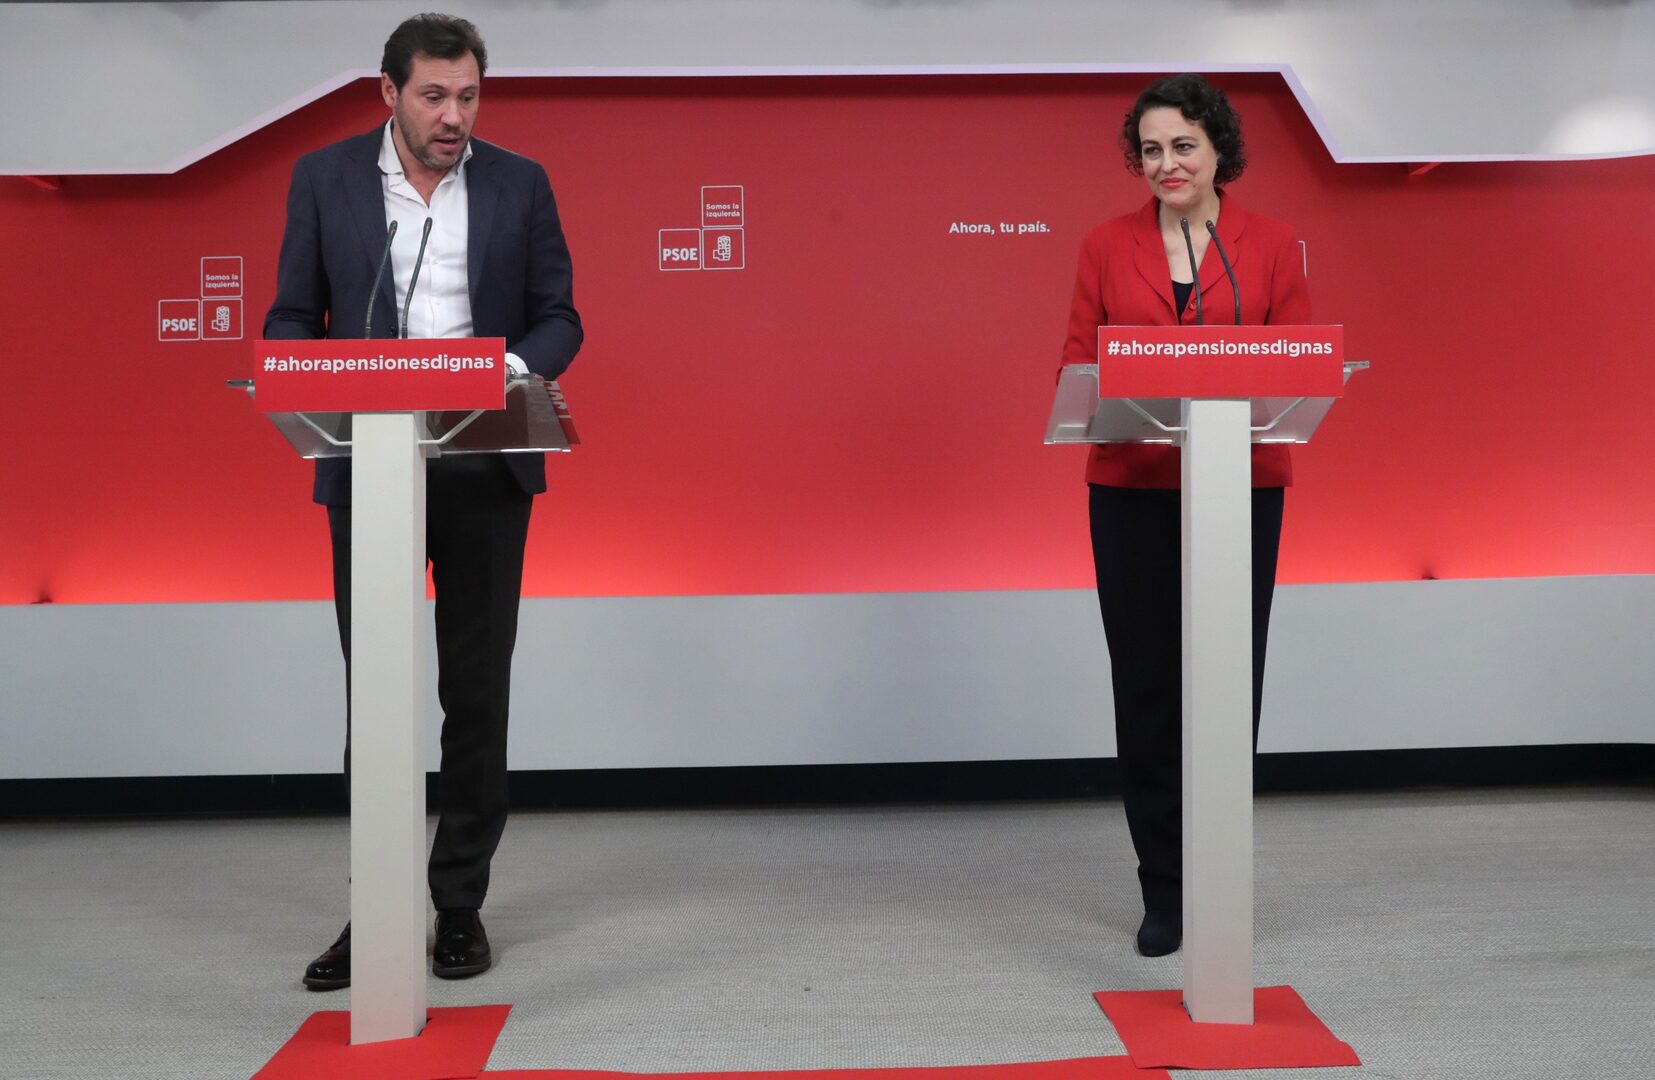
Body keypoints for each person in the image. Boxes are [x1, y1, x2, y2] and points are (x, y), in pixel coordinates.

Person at [264, 12, 582, 988]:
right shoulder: (323, 179)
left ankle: (458, 905)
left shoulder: (521, 182)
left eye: (469, 96)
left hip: (484, 464)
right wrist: (327, 376)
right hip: (369, 463)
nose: (454, 116)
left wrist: (505, 373)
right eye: (435, 96)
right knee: (377, 695)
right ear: (390, 94)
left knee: (475, 696)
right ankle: (377, 908)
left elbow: (559, 317)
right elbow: (290, 316)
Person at [1060, 74, 1310, 957]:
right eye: (1151, 149)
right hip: (1131, 489)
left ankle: (1219, 880)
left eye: (1182, 146)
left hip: (1241, 487)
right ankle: (1162, 889)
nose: (1166, 163)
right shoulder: (1104, 244)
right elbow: (1077, 362)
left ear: (1217, 151)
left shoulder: (1272, 245)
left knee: (1229, 683)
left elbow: (1296, 361)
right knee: (1147, 689)